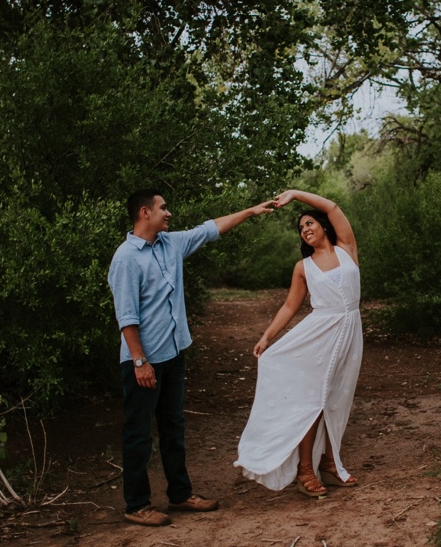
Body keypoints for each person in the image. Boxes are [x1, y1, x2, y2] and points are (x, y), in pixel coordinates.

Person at [108, 188, 274, 526]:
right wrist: (140, 362)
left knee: (173, 427)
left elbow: (210, 228)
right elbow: (126, 316)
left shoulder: (172, 244)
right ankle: (136, 505)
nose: (168, 213)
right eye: (163, 208)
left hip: (173, 353)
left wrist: (252, 211)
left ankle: (180, 496)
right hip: (144, 360)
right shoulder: (125, 258)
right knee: (138, 433)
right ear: (144, 213)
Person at [234, 189, 363, 497]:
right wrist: (267, 337)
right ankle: (305, 469)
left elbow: (332, 205)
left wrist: (295, 195)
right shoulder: (302, 268)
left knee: (338, 398)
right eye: (301, 228)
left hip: (350, 330)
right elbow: (290, 306)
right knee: (313, 401)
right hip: (319, 335)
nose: (305, 229)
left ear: (324, 227)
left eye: (309, 224)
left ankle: (330, 463)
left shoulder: (346, 248)